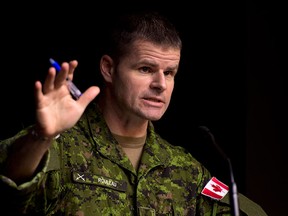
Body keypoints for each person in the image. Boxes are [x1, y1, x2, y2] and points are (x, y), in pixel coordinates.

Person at [0, 10, 267, 216]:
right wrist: (41, 136)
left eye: (169, 72)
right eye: (145, 69)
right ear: (108, 69)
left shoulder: (184, 169)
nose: (160, 84)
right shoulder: (61, 146)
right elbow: (10, 184)